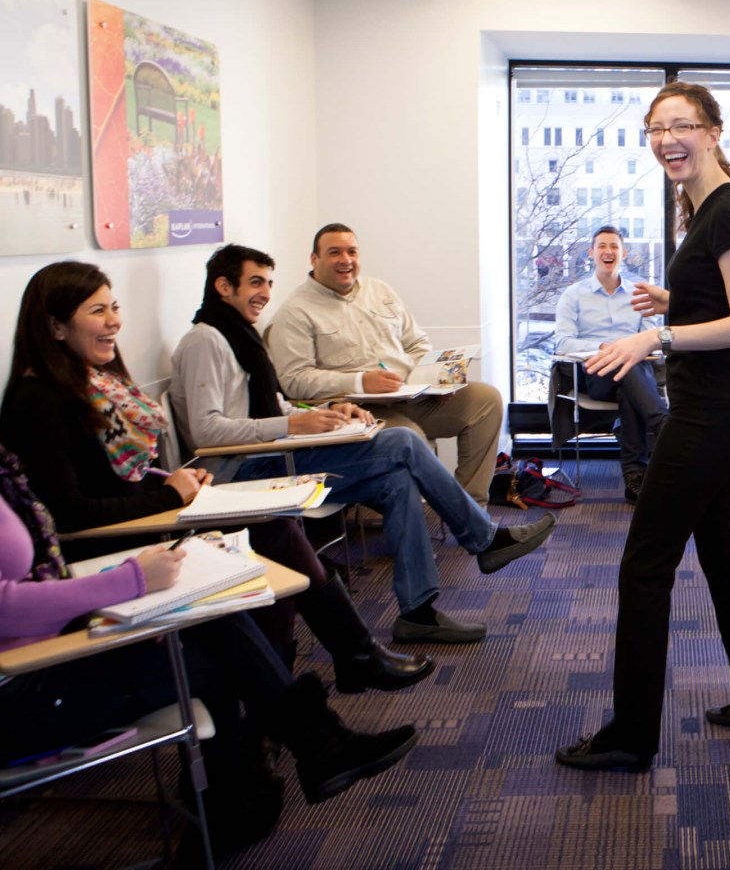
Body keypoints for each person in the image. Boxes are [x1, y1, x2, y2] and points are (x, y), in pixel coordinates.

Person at [0, 261, 430, 691]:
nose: (114, 321)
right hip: (118, 540)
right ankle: (346, 665)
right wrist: (169, 495)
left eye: (114, 307)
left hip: (151, 513)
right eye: (98, 312)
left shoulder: (92, 381)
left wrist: (171, 480)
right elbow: (70, 511)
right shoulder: (38, 399)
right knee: (281, 538)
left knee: (284, 532)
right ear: (56, 327)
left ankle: (334, 674)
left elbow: (117, 475)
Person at [0, 444, 417, 860]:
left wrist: (121, 607)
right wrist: (131, 583)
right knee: (218, 655)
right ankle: (293, 763)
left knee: (216, 615)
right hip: (24, 694)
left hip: (51, 650)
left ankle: (285, 768)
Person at [555, 81, 730, 772]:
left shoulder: (727, 211)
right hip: (719, 405)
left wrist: (655, 336)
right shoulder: (702, 207)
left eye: (682, 124)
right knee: (725, 556)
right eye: (656, 128)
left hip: (709, 413)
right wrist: (677, 298)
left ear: (715, 131)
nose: (667, 138)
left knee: (644, 565)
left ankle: (631, 735)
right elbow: (722, 302)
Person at [172, 244, 557, 646]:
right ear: (222, 286)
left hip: (275, 455)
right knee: (404, 442)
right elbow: (207, 432)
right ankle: (483, 539)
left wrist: (323, 410)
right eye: (255, 283)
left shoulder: (240, 336)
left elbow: (269, 402)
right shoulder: (207, 341)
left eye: (268, 282)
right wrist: (293, 421)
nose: (265, 293)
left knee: (397, 481)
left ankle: (418, 613)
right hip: (244, 473)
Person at [265, 223, 505, 510]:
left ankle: (471, 507)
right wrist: (360, 382)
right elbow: (295, 381)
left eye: (352, 251)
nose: (346, 260)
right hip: (358, 412)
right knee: (410, 438)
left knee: (486, 401)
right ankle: (455, 515)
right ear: (314, 260)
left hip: (413, 396)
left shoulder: (380, 291)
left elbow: (417, 343)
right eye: (334, 252)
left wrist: (436, 380)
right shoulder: (295, 312)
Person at [553, 224, 668, 502]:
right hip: (596, 374)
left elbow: (653, 338)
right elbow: (562, 343)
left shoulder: (639, 294)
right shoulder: (574, 295)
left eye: (614, 246)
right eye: (602, 246)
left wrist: (630, 349)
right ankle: (664, 425)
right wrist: (604, 348)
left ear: (624, 253)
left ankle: (635, 478)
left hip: (634, 373)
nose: (608, 251)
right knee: (624, 362)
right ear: (591, 253)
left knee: (630, 374)